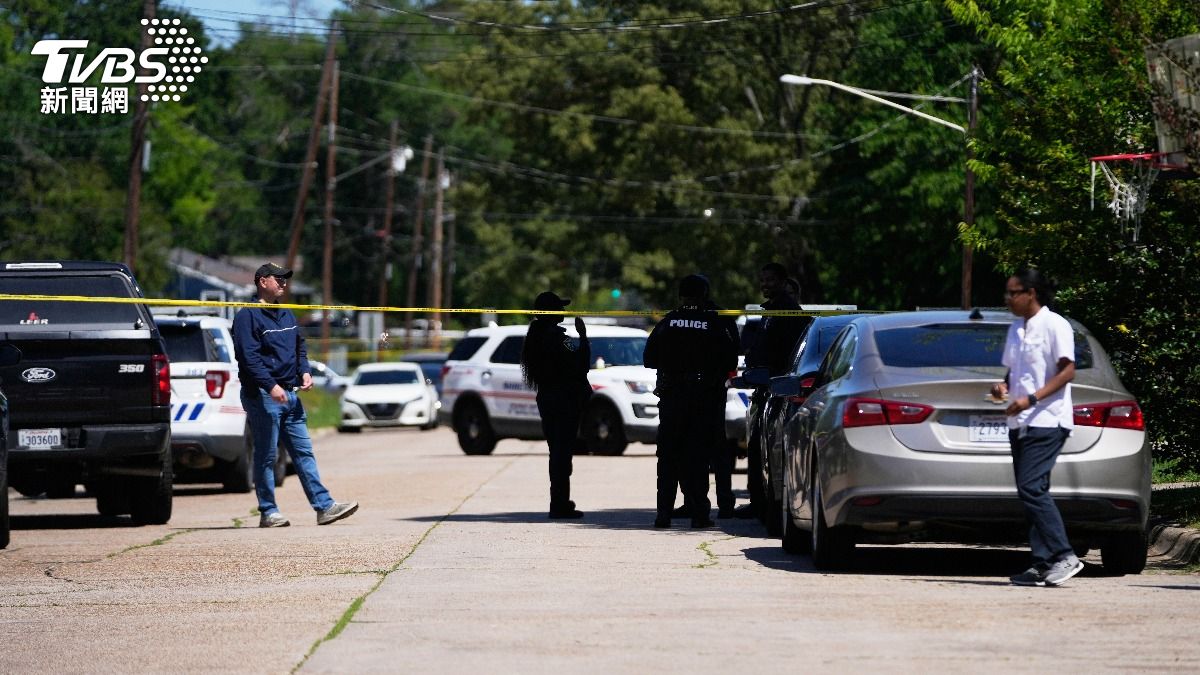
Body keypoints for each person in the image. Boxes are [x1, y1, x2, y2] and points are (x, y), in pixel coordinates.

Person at [232, 262, 358, 528]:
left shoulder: (286, 314)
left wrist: (305, 372)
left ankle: (324, 507)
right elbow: (248, 358)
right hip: (263, 396)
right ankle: (268, 512)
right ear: (262, 281)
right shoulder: (248, 316)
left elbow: (299, 347)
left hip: (290, 395)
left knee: (304, 453)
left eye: (285, 279)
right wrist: (271, 386)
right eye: (278, 279)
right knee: (267, 455)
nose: (284, 283)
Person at [990, 269, 1081, 587]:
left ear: (1031, 293)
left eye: (1013, 292)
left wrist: (1030, 399)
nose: (1008, 299)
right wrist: (1002, 387)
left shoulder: (1055, 324)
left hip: (1048, 419)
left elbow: (1067, 371)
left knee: (1030, 488)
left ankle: (1065, 555)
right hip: (1020, 421)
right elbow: (1013, 371)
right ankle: (1042, 563)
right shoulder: (1016, 328)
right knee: (1032, 491)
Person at [644, 274, 739, 529]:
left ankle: (663, 514)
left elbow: (649, 358)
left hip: (672, 396)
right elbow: (730, 360)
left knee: (668, 456)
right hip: (703, 398)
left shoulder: (668, 321)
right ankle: (699, 515)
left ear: (680, 296)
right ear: (704, 294)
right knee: (697, 456)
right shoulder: (713, 322)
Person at [737, 262, 807, 519]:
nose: (765, 285)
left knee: (767, 450)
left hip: (778, 390)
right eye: (762, 280)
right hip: (764, 388)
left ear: (783, 281)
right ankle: (759, 503)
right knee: (757, 448)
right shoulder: (772, 310)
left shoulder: (788, 311)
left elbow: (785, 353)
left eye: (770, 280)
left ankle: (766, 505)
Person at [520, 291, 591, 519]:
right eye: (559, 308)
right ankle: (559, 504)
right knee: (562, 454)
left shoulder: (535, 336)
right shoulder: (560, 339)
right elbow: (581, 364)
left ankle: (559, 501)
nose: (563, 311)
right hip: (565, 400)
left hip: (548, 398)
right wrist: (583, 336)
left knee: (556, 452)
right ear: (550, 312)